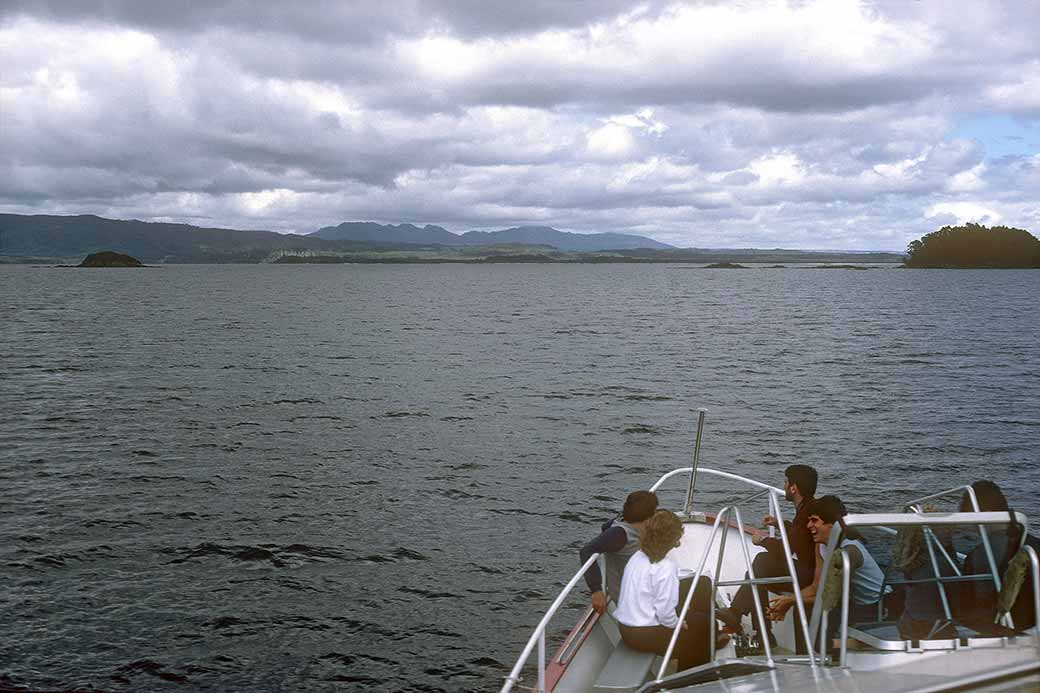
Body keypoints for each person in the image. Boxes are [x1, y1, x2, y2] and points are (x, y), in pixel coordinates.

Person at [716, 464, 818, 647]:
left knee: (762, 563)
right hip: (809, 568)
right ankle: (763, 635)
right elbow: (799, 536)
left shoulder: (806, 513)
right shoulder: (808, 508)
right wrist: (779, 524)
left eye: (786, 482)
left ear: (793, 487)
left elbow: (785, 550)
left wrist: (761, 541)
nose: (784, 486)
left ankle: (740, 615)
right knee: (759, 575)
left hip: (810, 574)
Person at [767, 496, 888, 647]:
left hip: (878, 605)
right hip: (852, 601)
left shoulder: (849, 551)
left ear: (832, 525)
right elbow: (816, 587)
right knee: (805, 612)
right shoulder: (822, 546)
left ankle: (853, 645)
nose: (809, 525)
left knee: (821, 641)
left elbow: (830, 597)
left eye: (814, 520)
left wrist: (790, 600)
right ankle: (809, 656)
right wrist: (790, 600)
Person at [614, 510, 715, 672]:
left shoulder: (638, 556)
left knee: (701, 583)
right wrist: (678, 623)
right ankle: (689, 677)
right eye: (677, 539)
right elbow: (665, 614)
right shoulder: (665, 567)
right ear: (671, 540)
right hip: (643, 634)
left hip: (626, 627)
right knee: (705, 624)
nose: (679, 544)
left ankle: (708, 637)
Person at [956, 480, 1038, 631]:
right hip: (1033, 625)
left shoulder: (977, 558)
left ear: (985, 515)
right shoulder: (1034, 547)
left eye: (967, 515)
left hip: (1006, 631)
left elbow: (973, 608)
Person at [579, 490, 658, 614]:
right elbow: (587, 551)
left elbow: (605, 526)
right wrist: (596, 590)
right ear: (649, 516)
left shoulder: (624, 524)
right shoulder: (620, 534)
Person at [891, 508, 958, 640]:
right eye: (944, 528)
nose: (949, 531)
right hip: (933, 623)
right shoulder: (943, 562)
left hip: (914, 622)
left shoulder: (912, 562)